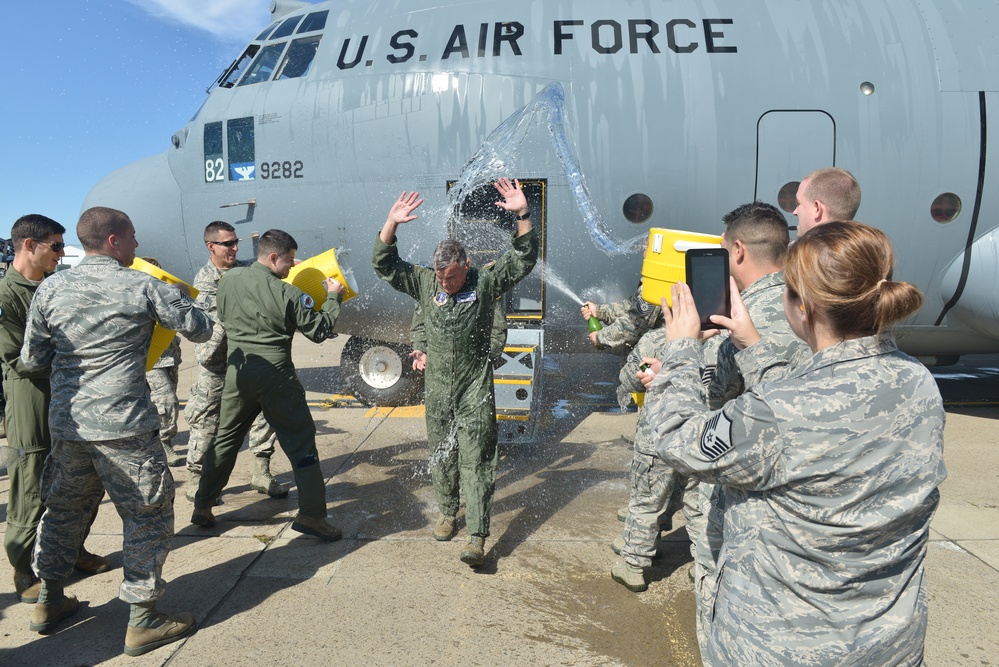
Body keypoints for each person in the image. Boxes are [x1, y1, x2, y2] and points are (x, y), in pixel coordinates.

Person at [649, 221, 946, 665]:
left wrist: (680, 351)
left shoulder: (775, 413)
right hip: (887, 645)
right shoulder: (916, 382)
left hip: (780, 646)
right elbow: (810, 407)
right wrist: (753, 347)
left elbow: (676, 439)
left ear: (802, 308)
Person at [21, 207, 213, 656]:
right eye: (131, 237)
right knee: (147, 515)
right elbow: (201, 329)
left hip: (68, 428)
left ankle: (48, 601)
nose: (136, 245)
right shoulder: (143, 285)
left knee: (63, 512)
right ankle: (143, 619)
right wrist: (184, 297)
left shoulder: (49, 288)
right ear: (113, 241)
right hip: (124, 428)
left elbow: (32, 359)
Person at [611, 202, 797, 593]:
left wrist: (677, 361)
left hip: (751, 495)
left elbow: (704, 409)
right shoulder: (807, 305)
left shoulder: (738, 320)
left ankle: (678, 567)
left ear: (739, 251)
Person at [372, 179, 539, 567]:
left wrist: (523, 215)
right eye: (440, 277)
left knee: (477, 459)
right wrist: (391, 223)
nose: (445, 284)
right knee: (441, 455)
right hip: (436, 389)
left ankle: (478, 537)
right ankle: (448, 513)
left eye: (452, 277)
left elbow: (523, 259)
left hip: (473, 388)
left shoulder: (485, 282)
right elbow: (384, 264)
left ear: (466, 265)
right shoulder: (427, 281)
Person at [191, 229, 344, 541]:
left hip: (239, 373)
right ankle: (312, 515)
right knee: (301, 444)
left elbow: (223, 314)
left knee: (225, 440)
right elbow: (319, 331)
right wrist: (332, 297)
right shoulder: (288, 294)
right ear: (273, 257)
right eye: (288, 261)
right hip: (276, 377)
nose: (291, 267)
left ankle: (203, 505)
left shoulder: (229, 280)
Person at [0, 215, 110, 606]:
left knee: (84, 477)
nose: (62, 255)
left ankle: (71, 548)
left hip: (70, 392)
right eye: (56, 247)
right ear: (29, 246)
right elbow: (17, 359)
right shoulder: (6, 295)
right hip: (31, 395)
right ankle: (23, 568)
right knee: (31, 481)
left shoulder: (52, 288)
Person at [183, 221, 286, 502]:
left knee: (265, 414)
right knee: (206, 420)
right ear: (211, 246)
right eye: (228, 243)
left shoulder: (246, 270)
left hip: (251, 357)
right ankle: (196, 477)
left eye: (235, 242)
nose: (235, 247)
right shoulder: (204, 281)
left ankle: (261, 471)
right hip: (217, 363)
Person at [580, 281, 662, 410]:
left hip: (662, 372)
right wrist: (600, 311)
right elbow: (632, 307)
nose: (644, 259)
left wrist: (600, 337)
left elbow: (634, 324)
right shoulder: (656, 275)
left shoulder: (661, 280)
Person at [140, 257, 185, 468]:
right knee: (167, 401)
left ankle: (159, 439)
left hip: (170, 356)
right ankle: (163, 442)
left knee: (163, 404)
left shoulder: (164, 293)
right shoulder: (138, 295)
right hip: (151, 359)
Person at [792, 167, 861, 236]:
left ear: (817, 208)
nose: (794, 212)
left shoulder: (804, 246)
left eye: (798, 203)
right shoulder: (865, 245)